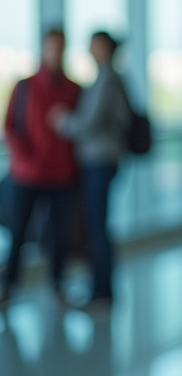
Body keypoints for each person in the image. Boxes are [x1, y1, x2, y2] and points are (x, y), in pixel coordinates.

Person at [1, 28, 81, 309]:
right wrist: (25, 155)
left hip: (61, 175)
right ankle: (9, 286)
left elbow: (79, 131)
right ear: (43, 48)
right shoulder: (24, 86)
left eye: (60, 47)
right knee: (18, 233)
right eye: (51, 46)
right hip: (26, 174)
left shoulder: (74, 89)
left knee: (60, 236)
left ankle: (58, 287)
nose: (55, 52)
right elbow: (9, 127)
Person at [51, 31, 131, 309]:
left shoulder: (107, 79)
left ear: (105, 48)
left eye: (94, 45)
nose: (89, 49)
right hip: (100, 161)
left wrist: (62, 122)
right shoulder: (106, 78)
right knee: (97, 225)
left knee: (97, 227)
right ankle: (101, 289)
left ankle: (102, 292)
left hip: (101, 161)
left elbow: (90, 123)